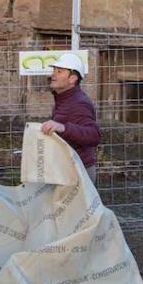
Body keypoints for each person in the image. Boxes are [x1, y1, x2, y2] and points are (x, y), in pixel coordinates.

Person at [39, 52, 101, 186]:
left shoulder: (79, 102)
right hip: (69, 169)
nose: (53, 75)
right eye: (54, 70)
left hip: (79, 172)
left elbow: (94, 135)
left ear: (72, 78)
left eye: (59, 71)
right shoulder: (64, 99)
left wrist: (63, 127)